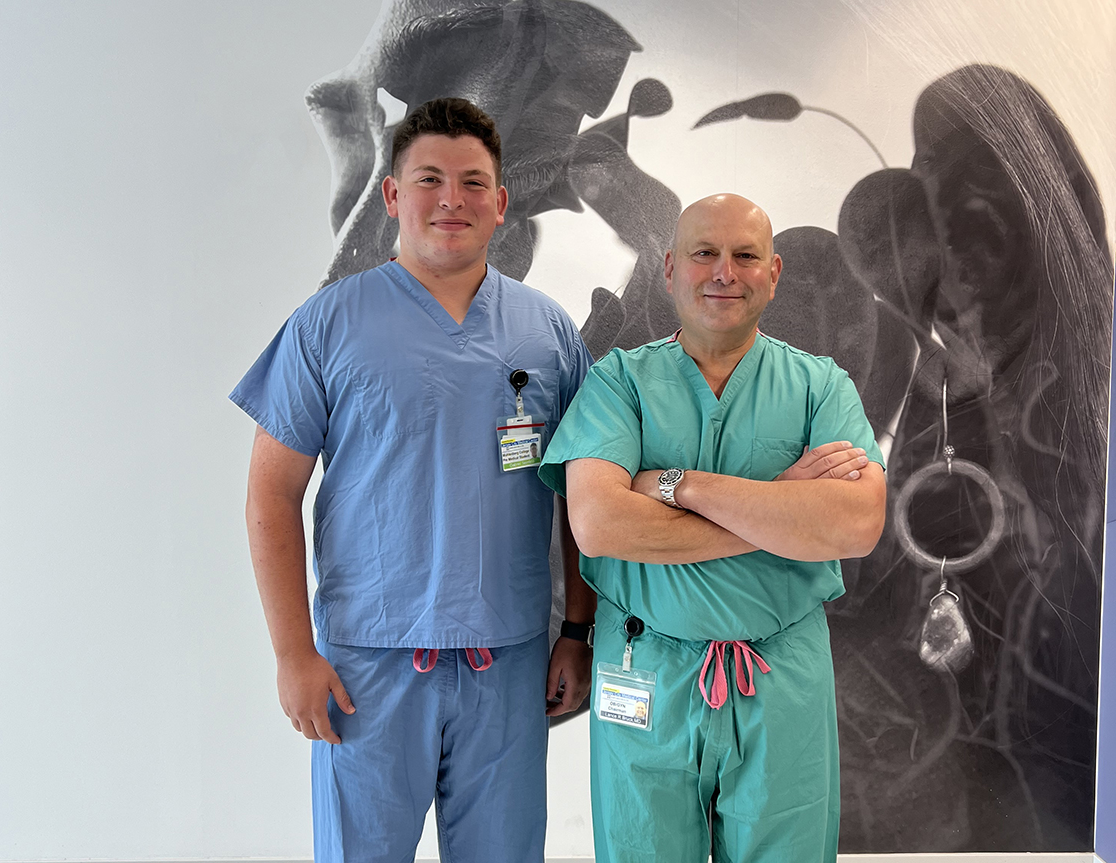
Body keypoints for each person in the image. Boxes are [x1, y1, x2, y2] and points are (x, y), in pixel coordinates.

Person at [230, 98, 596, 863]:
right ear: (393, 195)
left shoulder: (548, 332)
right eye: (430, 178)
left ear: (501, 202)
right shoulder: (329, 323)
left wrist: (575, 632)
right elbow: (271, 494)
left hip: (508, 660)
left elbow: (583, 495)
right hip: (365, 666)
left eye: (473, 181)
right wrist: (293, 653)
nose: (451, 198)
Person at [538, 193, 887, 863]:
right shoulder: (619, 382)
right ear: (671, 268)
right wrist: (783, 511)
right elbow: (600, 522)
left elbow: (858, 522)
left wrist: (681, 486)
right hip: (645, 667)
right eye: (705, 253)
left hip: (781, 676)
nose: (724, 272)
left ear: (773, 274)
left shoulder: (819, 387)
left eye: (745, 255)